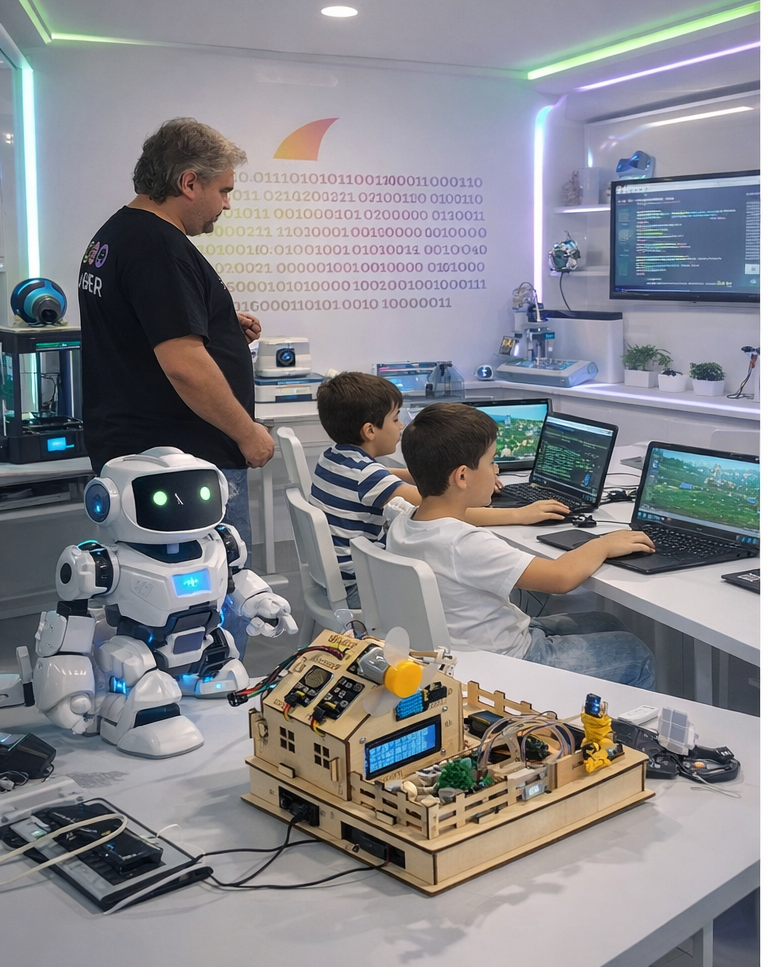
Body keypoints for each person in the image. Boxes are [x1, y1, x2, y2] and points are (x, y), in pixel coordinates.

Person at [77, 117, 274, 657]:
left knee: (146, 601)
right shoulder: (159, 247)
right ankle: (218, 712)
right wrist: (249, 433)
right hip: (183, 464)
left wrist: (220, 323)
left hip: (135, 455)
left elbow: (142, 331)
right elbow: (184, 365)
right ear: (190, 182)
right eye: (223, 191)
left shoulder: (115, 236)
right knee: (208, 596)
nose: (226, 205)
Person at [387, 403, 656, 687]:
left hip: (461, 645)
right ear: (462, 476)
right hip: (503, 660)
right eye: (491, 462)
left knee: (606, 622)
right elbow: (561, 578)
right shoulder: (463, 543)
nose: (496, 469)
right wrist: (604, 543)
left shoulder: (405, 521)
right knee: (635, 653)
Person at [311, 372, 571, 608]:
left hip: (342, 576)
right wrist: (519, 515)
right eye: (395, 418)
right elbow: (439, 507)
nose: (401, 426)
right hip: (360, 588)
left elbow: (396, 475)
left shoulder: (337, 458)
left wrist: (443, 469)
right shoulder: (367, 476)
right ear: (370, 431)